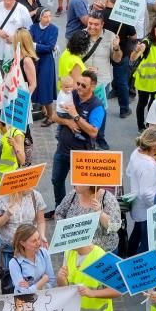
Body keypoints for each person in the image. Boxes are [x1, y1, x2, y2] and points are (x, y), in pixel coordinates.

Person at [50, 70, 105, 208]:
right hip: (62, 150)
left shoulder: (97, 106)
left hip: (81, 154)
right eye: (78, 83)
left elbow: (93, 132)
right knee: (57, 180)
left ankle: (79, 212)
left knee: (80, 188)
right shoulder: (71, 94)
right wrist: (68, 122)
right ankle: (60, 208)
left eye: (83, 85)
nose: (79, 87)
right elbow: (54, 116)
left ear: (92, 86)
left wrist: (75, 116)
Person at [127, 128, 156, 255]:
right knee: (145, 247)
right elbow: (146, 193)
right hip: (148, 211)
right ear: (155, 146)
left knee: (136, 236)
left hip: (138, 206)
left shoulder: (136, 153)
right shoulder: (147, 165)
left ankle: (127, 259)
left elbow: (128, 172)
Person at [8, 223, 54, 294]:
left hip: (44, 297)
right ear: (23, 243)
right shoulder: (14, 263)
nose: (38, 243)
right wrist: (42, 281)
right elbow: (24, 293)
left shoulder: (44, 253)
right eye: (34, 241)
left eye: (38, 238)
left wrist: (30, 286)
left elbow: (51, 280)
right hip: (25, 303)